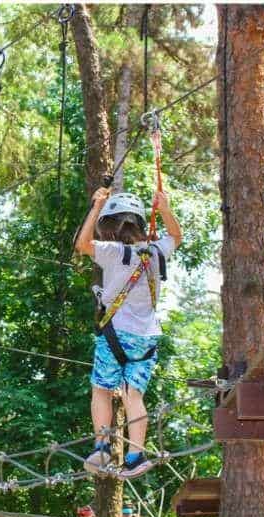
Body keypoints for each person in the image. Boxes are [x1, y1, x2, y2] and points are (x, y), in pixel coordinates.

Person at [75, 188, 183, 479]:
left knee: (101, 390)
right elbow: (177, 237)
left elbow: (82, 244)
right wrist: (165, 210)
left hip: (115, 335)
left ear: (110, 226)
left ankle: (102, 447)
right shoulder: (158, 250)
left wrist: (95, 206)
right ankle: (135, 456)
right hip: (146, 338)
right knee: (133, 396)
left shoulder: (112, 252)